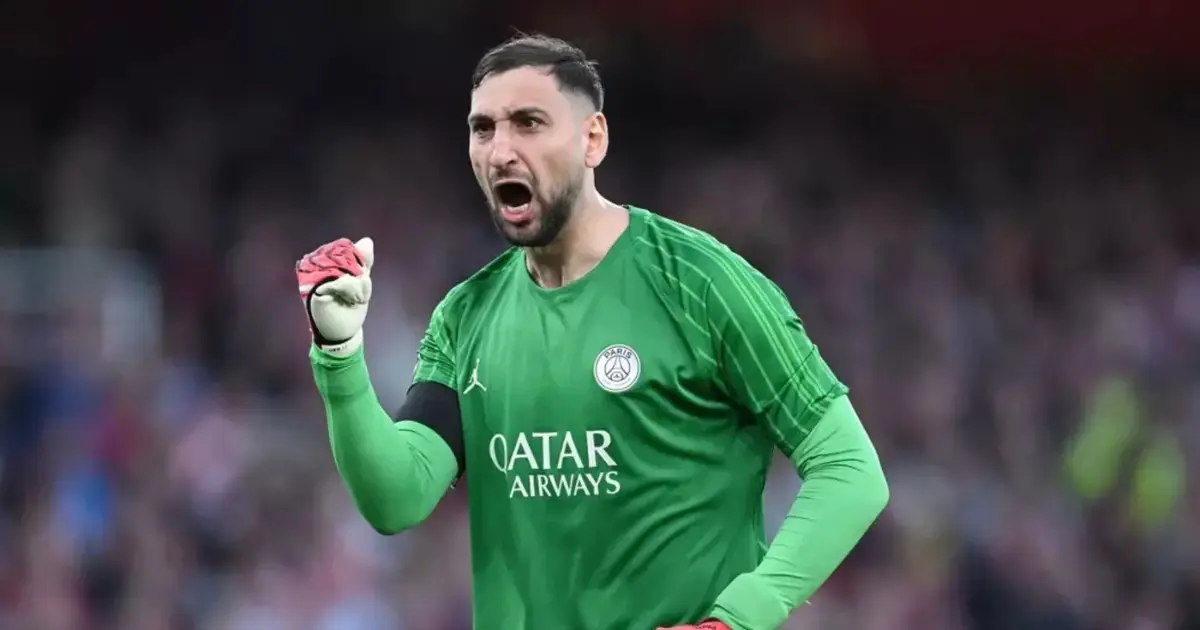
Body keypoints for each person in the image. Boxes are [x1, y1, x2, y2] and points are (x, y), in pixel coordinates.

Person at [295, 33, 889, 630]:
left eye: (528, 123)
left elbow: (848, 469)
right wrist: (340, 354)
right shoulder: (465, 315)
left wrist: (739, 617)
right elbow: (397, 497)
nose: (501, 151)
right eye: (483, 129)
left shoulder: (701, 283)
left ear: (593, 139)